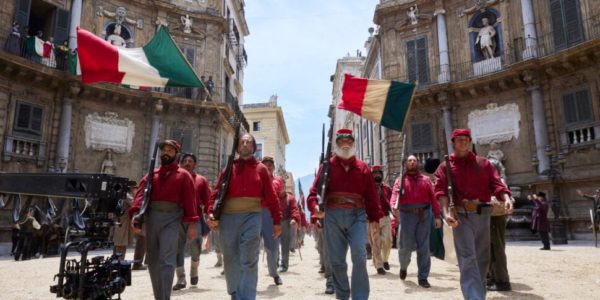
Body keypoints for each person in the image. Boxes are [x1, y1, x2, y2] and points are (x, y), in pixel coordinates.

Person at [434, 129, 512, 300]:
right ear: (453, 143)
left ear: (470, 142)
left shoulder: (484, 163)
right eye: (459, 139)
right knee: (468, 258)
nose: (463, 142)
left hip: (483, 215)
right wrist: (446, 213)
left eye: (466, 139)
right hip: (461, 217)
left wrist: (506, 198)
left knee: (483, 260)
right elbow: (441, 193)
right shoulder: (444, 166)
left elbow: (497, 184)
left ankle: (478, 294)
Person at [307, 128, 383, 300]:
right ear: (337, 145)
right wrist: (314, 209)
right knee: (337, 262)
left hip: (357, 216)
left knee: (360, 255)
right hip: (332, 216)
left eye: (348, 141)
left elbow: (371, 195)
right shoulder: (326, 167)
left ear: (353, 144)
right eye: (341, 142)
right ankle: (342, 295)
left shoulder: (363, 167)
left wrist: (375, 218)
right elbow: (314, 193)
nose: (345, 145)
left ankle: (360, 296)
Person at [207, 133, 282, 300]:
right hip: (228, 218)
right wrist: (211, 212)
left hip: (252, 217)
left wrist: (277, 221)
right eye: (242, 142)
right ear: (237, 147)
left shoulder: (261, 169)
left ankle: (247, 297)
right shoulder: (228, 168)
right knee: (230, 259)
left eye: (249, 142)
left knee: (249, 259)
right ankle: (234, 293)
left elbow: (271, 197)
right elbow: (216, 193)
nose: (245, 144)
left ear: (254, 147)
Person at [129, 139, 199, 300]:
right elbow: (140, 198)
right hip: (152, 218)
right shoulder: (150, 175)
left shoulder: (184, 176)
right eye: (164, 150)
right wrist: (135, 216)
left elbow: (190, 201)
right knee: (153, 262)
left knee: (167, 260)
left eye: (170, 150)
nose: (166, 152)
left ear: (176, 154)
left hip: (173, 219)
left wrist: (192, 225)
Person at [391, 155, 441, 288]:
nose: (412, 162)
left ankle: (423, 277)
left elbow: (434, 199)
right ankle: (403, 266)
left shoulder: (425, 180)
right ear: (406, 164)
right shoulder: (400, 180)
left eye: (414, 160)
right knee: (405, 247)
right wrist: (393, 207)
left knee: (423, 247)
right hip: (406, 215)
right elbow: (394, 196)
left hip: (424, 215)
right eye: (409, 161)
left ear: (418, 163)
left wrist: (437, 216)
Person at [173, 153, 211, 290]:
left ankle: (194, 269)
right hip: (178, 217)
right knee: (177, 248)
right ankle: (181, 278)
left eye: (190, 161)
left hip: (195, 217)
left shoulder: (201, 180)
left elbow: (207, 201)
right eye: (185, 161)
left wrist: (210, 215)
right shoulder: (176, 178)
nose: (187, 163)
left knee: (196, 246)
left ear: (195, 164)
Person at [259, 156, 284, 285]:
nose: (267, 166)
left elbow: (274, 193)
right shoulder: (256, 179)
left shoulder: (278, 180)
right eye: (265, 164)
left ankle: (274, 273)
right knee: (249, 245)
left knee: (273, 248)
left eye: (270, 164)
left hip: (270, 214)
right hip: (255, 212)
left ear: (273, 167)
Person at [368, 165, 393, 275]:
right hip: (373, 219)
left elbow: (392, 201)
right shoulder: (368, 188)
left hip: (386, 217)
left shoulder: (387, 188)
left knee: (388, 241)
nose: (377, 174)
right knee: (376, 243)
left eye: (379, 172)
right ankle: (379, 266)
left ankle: (385, 259)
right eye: (375, 173)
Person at [112, 181, 136, 260]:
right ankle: (119, 262)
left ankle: (116, 261)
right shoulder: (126, 195)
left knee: (119, 243)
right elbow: (134, 204)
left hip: (119, 222)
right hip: (122, 223)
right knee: (120, 243)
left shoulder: (119, 194)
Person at [279, 191, 301, 273]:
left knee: (285, 244)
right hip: (274, 221)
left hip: (285, 222)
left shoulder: (290, 198)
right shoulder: (273, 195)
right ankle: (275, 262)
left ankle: (284, 265)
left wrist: (294, 218)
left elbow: (294, 209)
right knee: (272, 246)